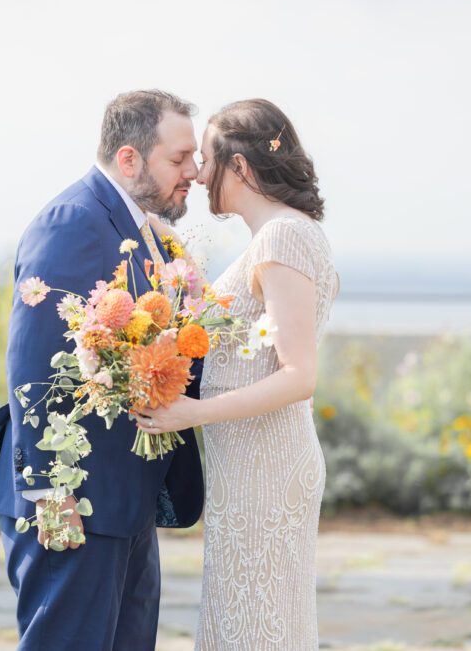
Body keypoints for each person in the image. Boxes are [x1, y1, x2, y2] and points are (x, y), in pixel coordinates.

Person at [0, 90, 204, 650]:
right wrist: (50, 490)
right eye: (179, 159)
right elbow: (31, 364)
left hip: (124, 500)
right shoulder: (73, 222)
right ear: (129, 159)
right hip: (72, 503)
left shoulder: (139, 227)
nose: (194, 171)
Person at [135, 98, 338, 650]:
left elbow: (299, 375)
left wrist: (191, 413)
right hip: (251, 462)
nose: (198, 174)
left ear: (241, 167)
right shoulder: (281, 235)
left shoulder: (281, 238)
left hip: (266, 466)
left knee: (257, 625)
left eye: (206, 160)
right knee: (250, 619)